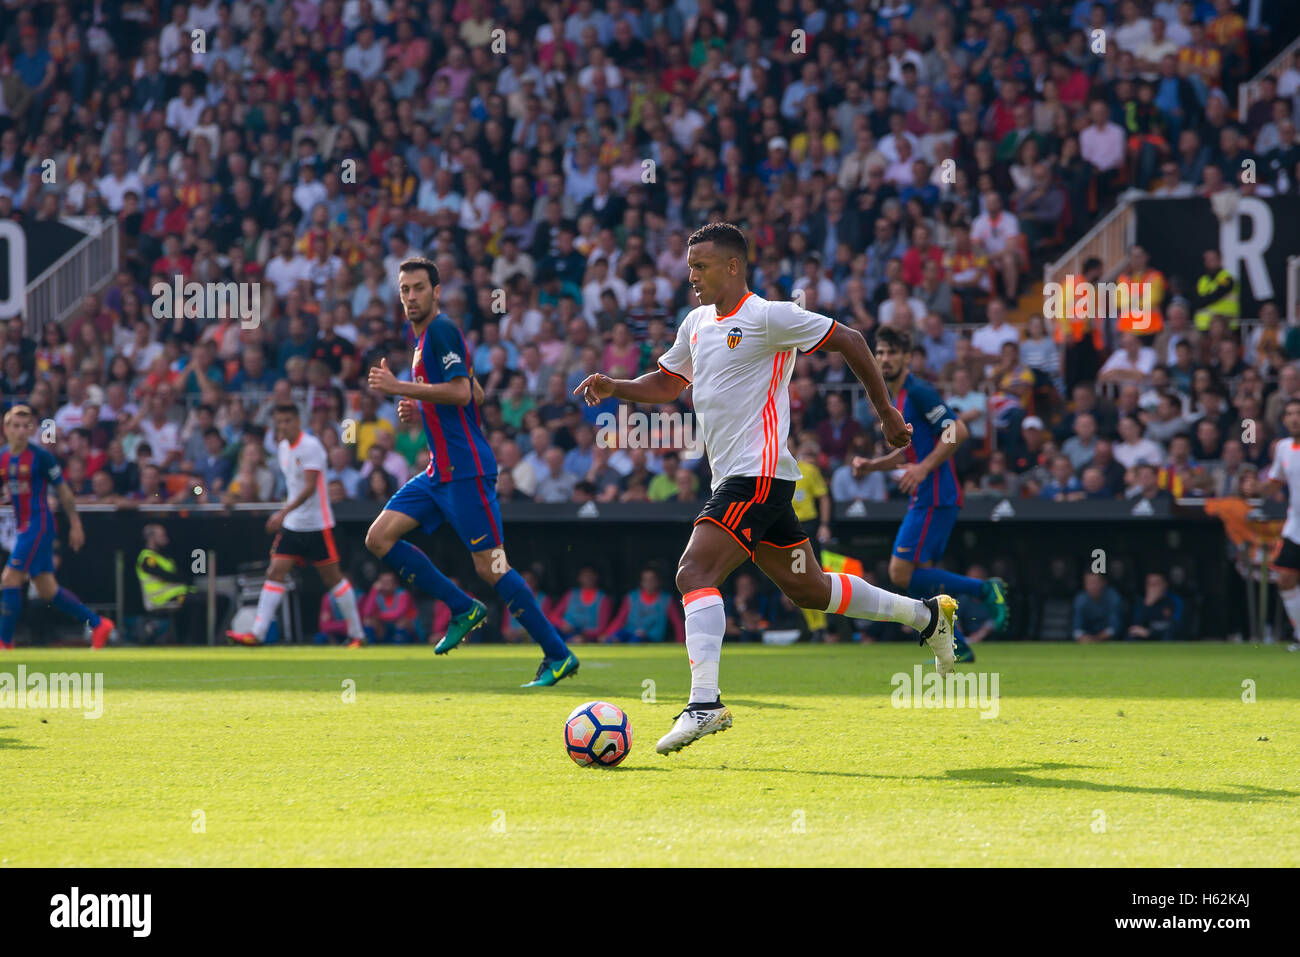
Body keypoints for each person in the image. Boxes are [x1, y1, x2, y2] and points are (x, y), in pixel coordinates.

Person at [574, 222, 958, 756]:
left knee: (693, 572)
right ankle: (928, 615)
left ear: (733, 266)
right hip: (745, 478)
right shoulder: (696, 323)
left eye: (701, 266)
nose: (692, 277)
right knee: (811, 590)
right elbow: (667, 383)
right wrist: (618, 386)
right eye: (689, 267)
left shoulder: (768, 316)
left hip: (756, 475)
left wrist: (887, 411)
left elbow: (850, 339)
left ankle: (703, 704)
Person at [364, 257, 578, 686]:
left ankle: (557, 654)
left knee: (493, 566)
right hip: (437, 473)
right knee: (378, 537)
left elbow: (462, 393)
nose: (410, 297)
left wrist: (399, 388)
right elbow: (476, 391)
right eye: (404, 289)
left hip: (465, 471)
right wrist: (419, 407)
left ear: (436, 291)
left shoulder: (440, 330)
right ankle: (463, 608)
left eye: (419, 288)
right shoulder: (423, 338)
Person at [850, 327, 1010, 662]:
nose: (885, 359)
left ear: (907, 357)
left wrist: (923, 469)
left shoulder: (919, 391)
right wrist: (872, 466)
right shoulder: (894, 399)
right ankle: (957, 644)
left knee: (899, 573)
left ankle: (985, 589)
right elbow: (909, 452)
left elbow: (958, 430)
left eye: (892, 352)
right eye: (880, 352)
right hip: (927, 494)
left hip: (934, 493)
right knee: (918, 580)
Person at [227, 404, 367, 648]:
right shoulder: (282, 448)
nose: (282, 426)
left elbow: (310, 487)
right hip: (293, 526)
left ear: (297, 422)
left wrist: (282, 512)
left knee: (333, 579)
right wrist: (287, 515)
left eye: (287, 421)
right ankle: (257, 633)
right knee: (275, 572)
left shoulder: (311, 447)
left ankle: (357, 634)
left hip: (317, 524)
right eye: (279, 421)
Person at [0, 405, 115, 650]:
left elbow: (63, 490)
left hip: (39, 524)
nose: (21, 431)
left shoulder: (41, 457)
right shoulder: (3, 457)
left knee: (10, 579)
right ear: (6, 429)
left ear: (31, 429)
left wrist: (75, 523)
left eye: (25, 426)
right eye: (16, 426)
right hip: (24, 526)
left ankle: (4, 643)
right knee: (47, 589)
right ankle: (98, 624)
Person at [1262, 399, 1300, 649]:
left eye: (1298, 413)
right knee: (1285, 579)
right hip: (1295, 526)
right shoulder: (1284, 447)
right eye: (1289, 414)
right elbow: (1275, 481)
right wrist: (1256, 490)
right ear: (1284, 419)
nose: (1294, 418)